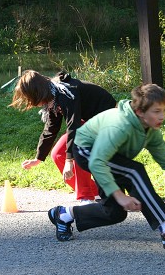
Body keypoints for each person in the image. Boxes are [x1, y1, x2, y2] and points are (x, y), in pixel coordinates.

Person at [47, 83, 165, 249]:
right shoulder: (120, 126)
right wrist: (120, 195)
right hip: (86, 150)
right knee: (134, 171)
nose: (162, 116)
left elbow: (163, 155)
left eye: (163, 110)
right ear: (140, 112)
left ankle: (64, 214)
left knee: (114, 213)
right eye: (156, 111)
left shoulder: (149, 128)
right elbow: (97, 162)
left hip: (108, 155)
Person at [9, 70, 117, 203]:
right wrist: (38, 158)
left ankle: (85, 197)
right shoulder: (53, 96)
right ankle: (96, 192)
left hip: (108, 119)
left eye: (29, 97)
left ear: (37, 92)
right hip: (89, 121)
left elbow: (74, 126)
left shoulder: (66, 93)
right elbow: (51, 128)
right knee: (57, 154)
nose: (29, 102)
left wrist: (69, 161)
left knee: (78, 150)